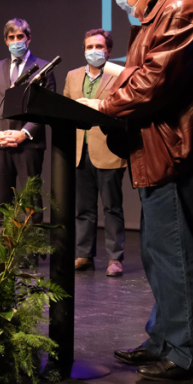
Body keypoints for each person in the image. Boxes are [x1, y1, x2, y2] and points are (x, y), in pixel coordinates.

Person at [80, 0, 193, 381]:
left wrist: (100, 106)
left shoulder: (183, 8)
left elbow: (151, 83)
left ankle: (186, 354)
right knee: (158, 251)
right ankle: (163, 340)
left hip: (179, 151)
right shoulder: (160, 11)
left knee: (176, 252)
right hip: (161, 149)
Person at [63, 30, 127, 276]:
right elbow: (65, 109)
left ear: (108, 50)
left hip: (109, 149)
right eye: (89, 46)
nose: (94, 51)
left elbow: (124, 109)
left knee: (112, 208)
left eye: (99, 46)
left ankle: (115, 258)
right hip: (80, 151)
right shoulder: (72, 76)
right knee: (83, 209)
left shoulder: (119, 75)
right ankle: (83, 254)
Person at [0, 18, 57, 211]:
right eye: (11, 37)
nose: (16, 41)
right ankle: (3, 233)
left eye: (20, 36)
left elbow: (47, 107)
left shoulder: (44, 67)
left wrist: (24, 133)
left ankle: (33, 232)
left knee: (31, 201)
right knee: (2, 202)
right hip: (0, 142)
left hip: (29, 142)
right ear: (6, 41)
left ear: (28, 38)